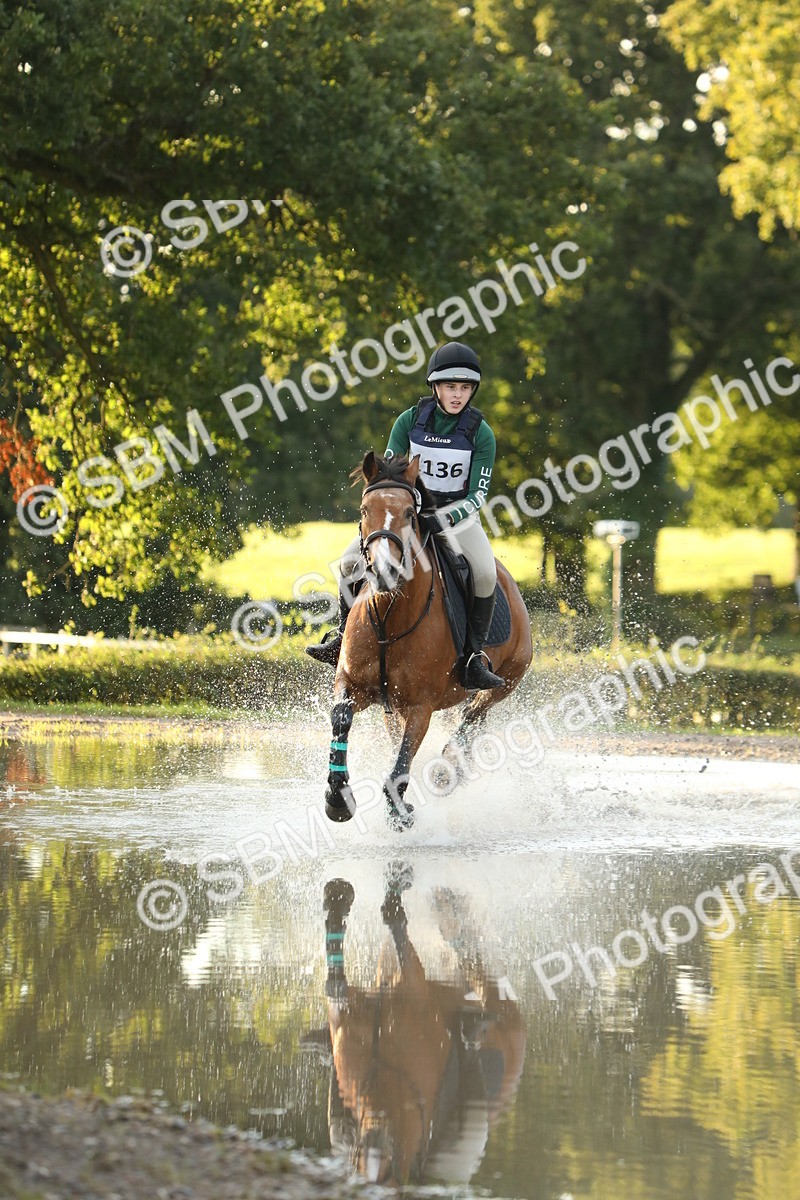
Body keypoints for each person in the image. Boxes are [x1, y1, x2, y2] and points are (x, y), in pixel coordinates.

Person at [306, 340, 504, 690]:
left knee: (486, 574)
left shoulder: (481, 433)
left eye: (464, 388)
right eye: (449, 387)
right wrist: (406, 513)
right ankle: (341, 637)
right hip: (404, 516)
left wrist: (444, 519)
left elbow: (478, 495)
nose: (457, 395)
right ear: (435, 387)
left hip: (457, 519)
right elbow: (388, 476)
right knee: (350, 562)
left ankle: (473, 658)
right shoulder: (410, 421)